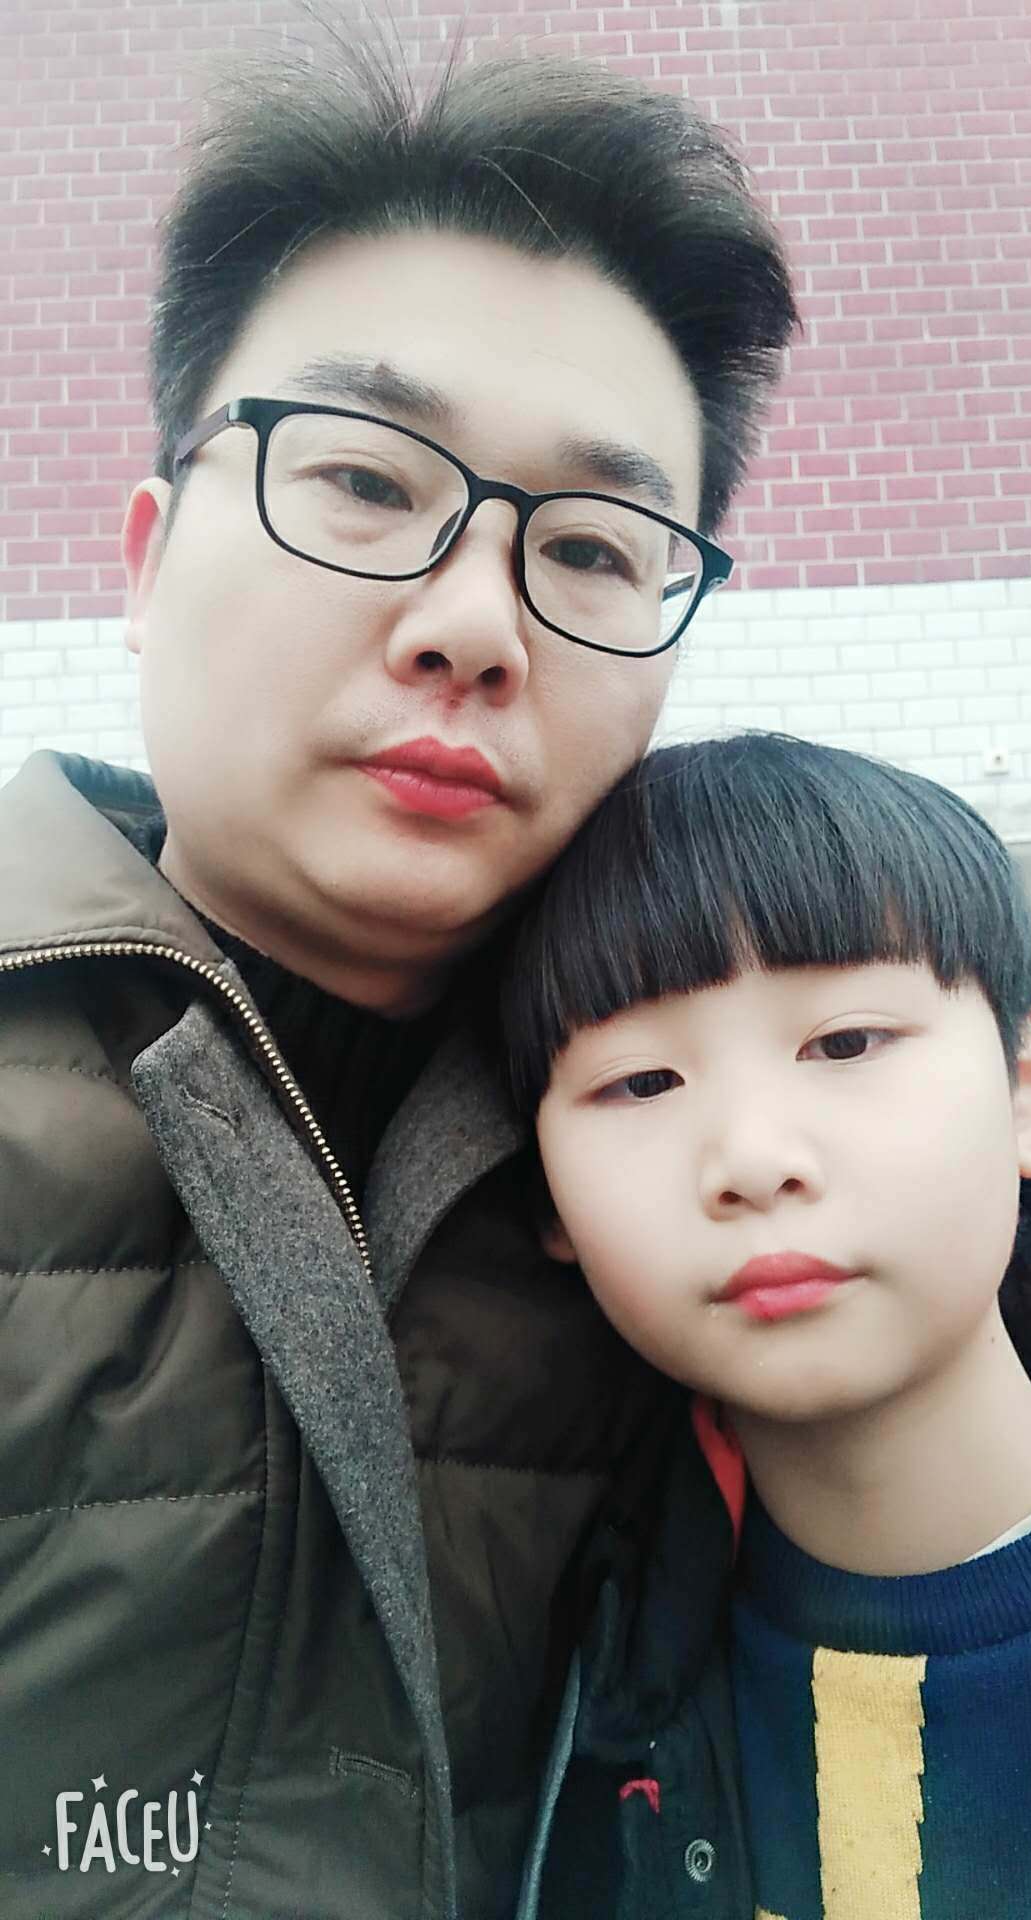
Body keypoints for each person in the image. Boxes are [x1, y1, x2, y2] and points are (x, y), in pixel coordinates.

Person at [0, 36, 798, 1920]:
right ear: (146, 558)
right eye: (361, 480)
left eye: (593, 547)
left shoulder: (715, 1180)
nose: (470, 628)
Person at [502, 732, 1031, 1920]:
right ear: (544, 1196)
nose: (754, 1160)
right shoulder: (558, 1692)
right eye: (642, 1083)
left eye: (846, 1043)